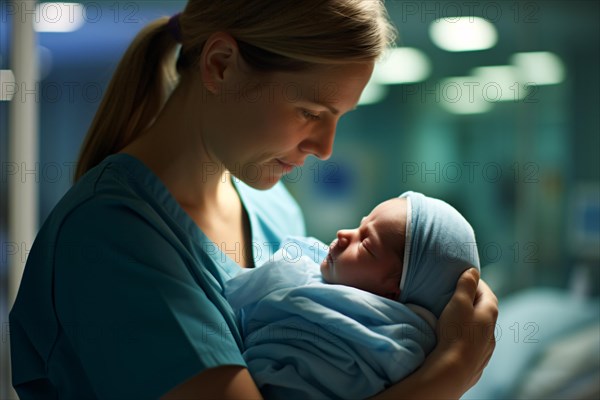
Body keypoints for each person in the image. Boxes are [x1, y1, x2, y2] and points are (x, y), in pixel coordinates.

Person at [9, 1, 498, 399]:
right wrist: (447, 376)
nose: (325, 147)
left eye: (338, 118)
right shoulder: (112, 239)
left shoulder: (273, 208)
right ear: (220, 66)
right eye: (310, 112)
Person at [225, 191, 481, 399]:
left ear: (392, 293)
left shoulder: (393, 344)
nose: (344, 234)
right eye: (361, 225)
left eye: (366, 245)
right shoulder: (279, 209)